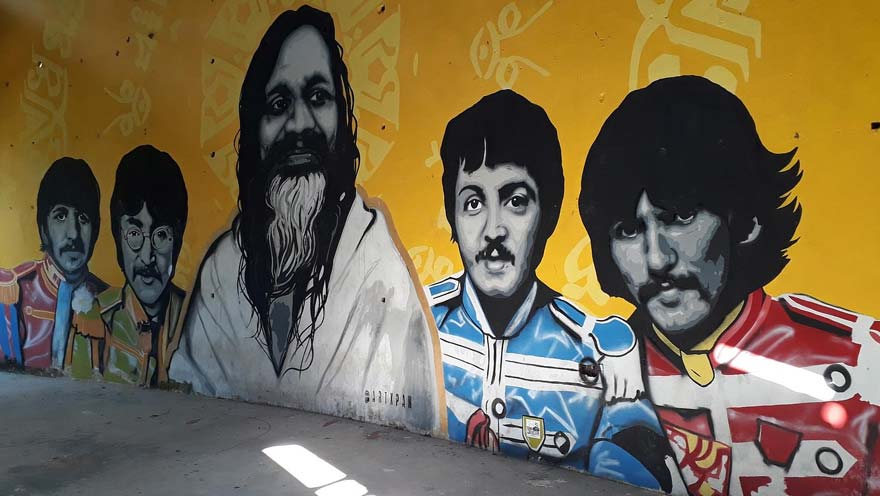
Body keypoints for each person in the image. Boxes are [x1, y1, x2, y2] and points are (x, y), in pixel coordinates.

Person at [579, 75, 880, 495]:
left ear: (745, 221)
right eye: (628, 230)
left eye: (680, 217)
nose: (656, 259)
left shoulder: (861, 358)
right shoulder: (593, 371)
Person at [169, 6, 440, 434]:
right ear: (254, 131)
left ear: (342, 119)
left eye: (318, 98)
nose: (298, 125)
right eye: (278, 104)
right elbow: (186, 390)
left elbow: (413, 426)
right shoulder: (221, 271)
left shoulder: (380, 274)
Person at [426, 89, 673, 491]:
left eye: (515, 201)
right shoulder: (420, 320)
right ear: (452, 216)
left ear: (549, 213)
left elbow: (637, 466)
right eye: (473, 203)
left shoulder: (601, 352)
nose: (493, 230)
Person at [0, 157, 107, 371]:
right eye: (60, 216)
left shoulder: (110, 303)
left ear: (95, 231)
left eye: (83, 218)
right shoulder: (13, 292)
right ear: (43, 228)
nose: (73, 233)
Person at [97, 145, 188, 386]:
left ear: (177, 242)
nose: (147, 257)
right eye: (135, 233)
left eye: (161, 235)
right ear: (118, 237)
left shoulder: (193, 319)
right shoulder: (97, 319)